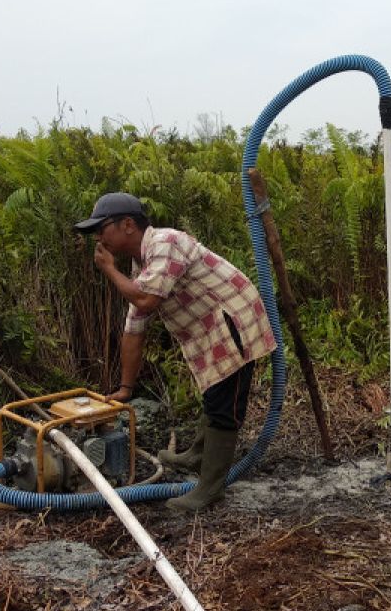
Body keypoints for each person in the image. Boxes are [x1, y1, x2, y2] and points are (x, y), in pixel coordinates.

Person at [75, 192, 276, 511]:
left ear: (128, 225)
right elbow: (134, 327)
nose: (98, 237)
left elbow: (144, 300)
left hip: (233, 318)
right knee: (213, 391)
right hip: (209, 328)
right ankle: (198, 455)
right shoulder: (143, 262)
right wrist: (126, 389)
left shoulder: (165, 243)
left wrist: (110, 271)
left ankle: (210, 488)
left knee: (225, 403)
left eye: (103, 228)